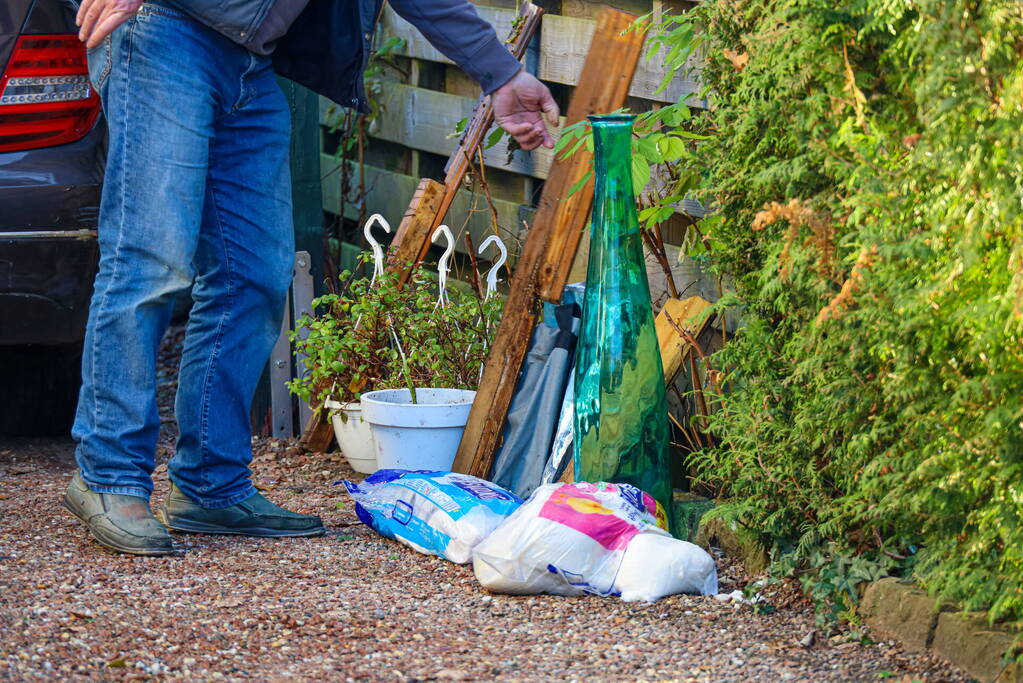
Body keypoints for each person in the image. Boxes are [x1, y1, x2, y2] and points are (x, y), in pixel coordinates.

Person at [64, 0, 559, 556]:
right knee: (151, 265)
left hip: (251, 60)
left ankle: (211, 483)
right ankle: (109, 475)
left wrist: (501, 73)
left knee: (254, 277)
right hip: (164, 35)